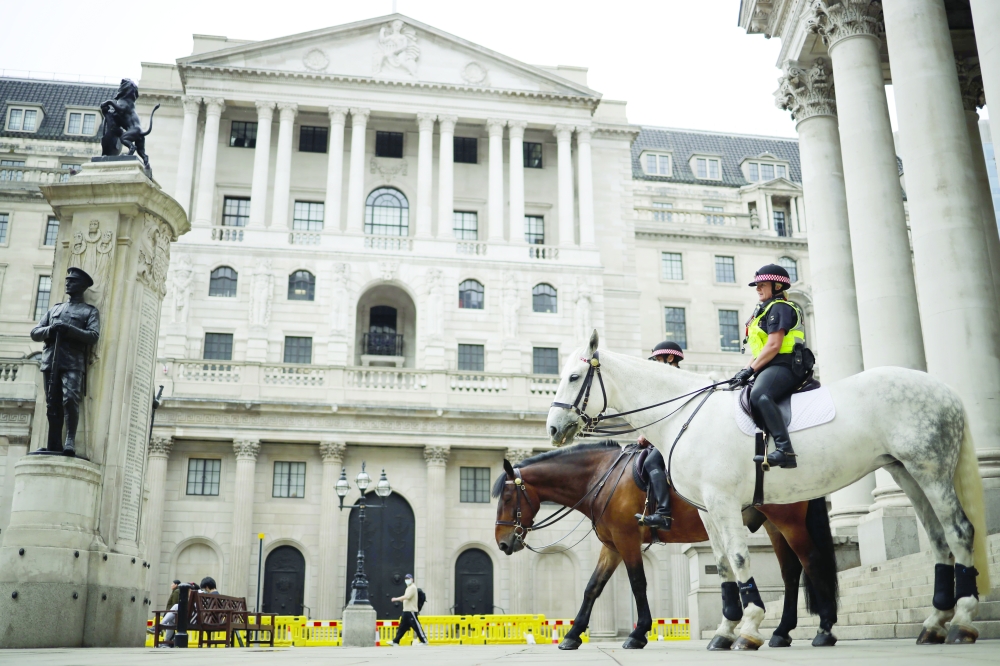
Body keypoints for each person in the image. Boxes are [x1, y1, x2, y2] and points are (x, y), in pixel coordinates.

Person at [729, 264, 810, 469]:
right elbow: (760, 351)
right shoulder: (764, 310)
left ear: (777, 286)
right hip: (770, 365)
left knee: (760, 395)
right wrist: (744, 371)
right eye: (756, 285)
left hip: (787, 364)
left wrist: (752, 370)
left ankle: (785, 450)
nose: (757, 288)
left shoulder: (779, 307)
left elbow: (774, 345)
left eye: (762, 284)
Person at [29, 267, 100, 456]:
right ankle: (53, 443)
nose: (68, 283)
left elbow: (93, 336)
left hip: (72, 362)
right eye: (67, 280)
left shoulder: (88, 311)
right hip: (51, 361)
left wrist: (68, 329)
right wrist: (51, 330)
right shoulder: (55, 309)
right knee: (52, 403)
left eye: (73, 281)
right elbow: (35, 333)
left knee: (70, 399)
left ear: (82, 286)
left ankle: (69, 440)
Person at [633, 340, 685, 531]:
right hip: (669, 434)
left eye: (657, 359)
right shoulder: (669, 380)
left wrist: (648, 434)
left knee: (651, 463)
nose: (654, 363)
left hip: (678, 434)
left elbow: (670, 412)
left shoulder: (676, 379)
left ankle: (663, 513)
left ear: (670, 358)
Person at [389, 574, 427, 646]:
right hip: (406, 610)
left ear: (412, 579)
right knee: (402, 627)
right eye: (406, 578)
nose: (407, 580)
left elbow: (407, 597)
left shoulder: (412, 587)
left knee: (416, 626)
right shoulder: (408, 588)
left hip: (411, 611)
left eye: (408, 578)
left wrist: (396, 599)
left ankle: (424, 640)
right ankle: (396, 641)